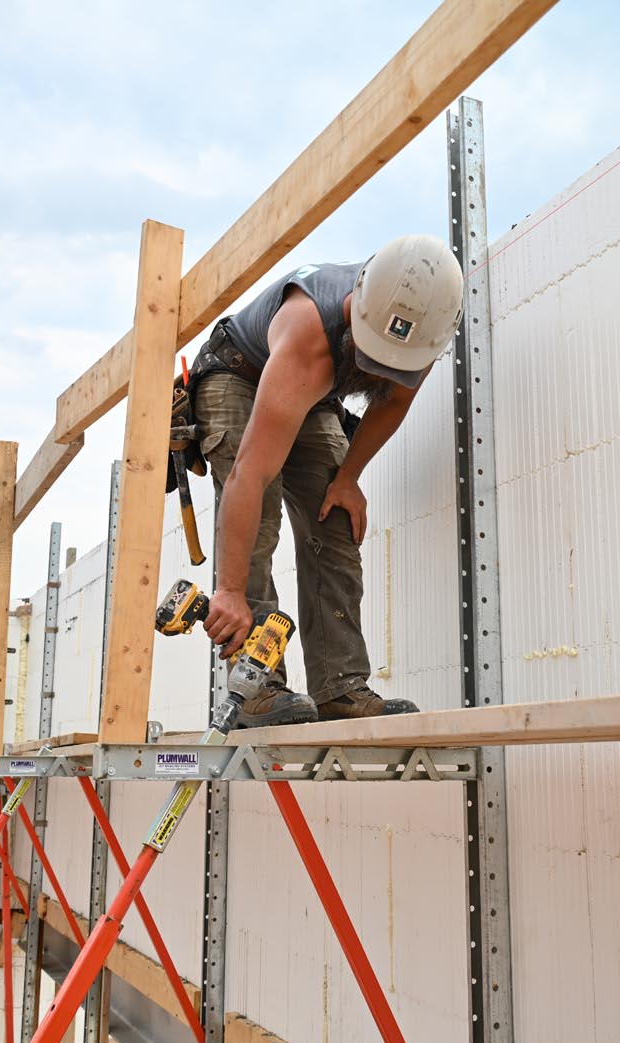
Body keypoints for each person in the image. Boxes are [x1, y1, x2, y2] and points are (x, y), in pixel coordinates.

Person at [189, 235, 465, 726]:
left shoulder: (423, 327)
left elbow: (392, 403)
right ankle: (258, 686)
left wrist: (349, 478)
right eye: (371, 354)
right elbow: (251, 474)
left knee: (334, 521)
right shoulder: (309, 332)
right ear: (356, 307)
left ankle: (340, 688)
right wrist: (228, 589)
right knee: (261, 519)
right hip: (240, 373)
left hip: (313, 394)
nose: (377, 370)